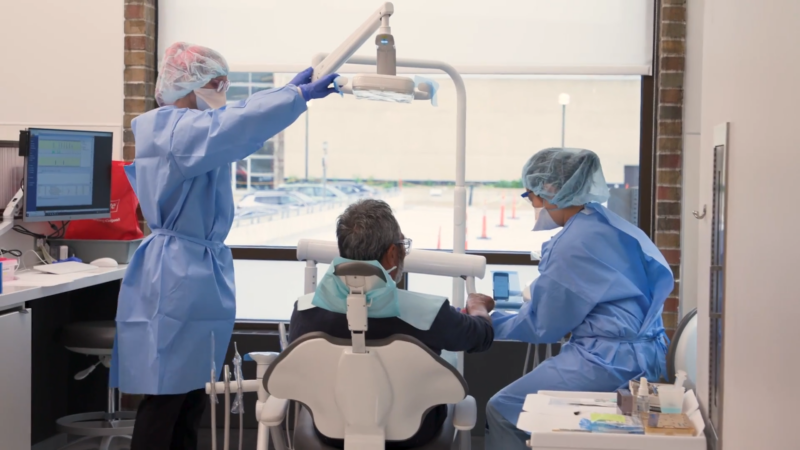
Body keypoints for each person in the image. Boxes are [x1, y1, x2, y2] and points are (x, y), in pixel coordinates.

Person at [111, 42, 340, 450]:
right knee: (166, 397)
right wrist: (292, 97)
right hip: (174, 276)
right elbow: (234, 126)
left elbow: (237, 133)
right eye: (217, 83)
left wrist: (282, 98)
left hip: (196, 270)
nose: (222, 92)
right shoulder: (172, 130)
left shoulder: (197, 131)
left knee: (192, 397)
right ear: (190, 83)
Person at [484, 148, 674, 449]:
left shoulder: (572, 244)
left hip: (609, 363)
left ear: (550, 190)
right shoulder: (609, 223)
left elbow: (543, 325)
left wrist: (486, 320)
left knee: (503, 408)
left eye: (530, 195)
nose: (532, 203)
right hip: (649, 356)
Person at [289, 199, 496, 449]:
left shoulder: (304, 311)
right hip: (417, 435)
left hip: (331, 433)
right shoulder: (429, 313)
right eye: (402, 245)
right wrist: (478, 306)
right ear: (391, 253)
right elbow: (481, 336)